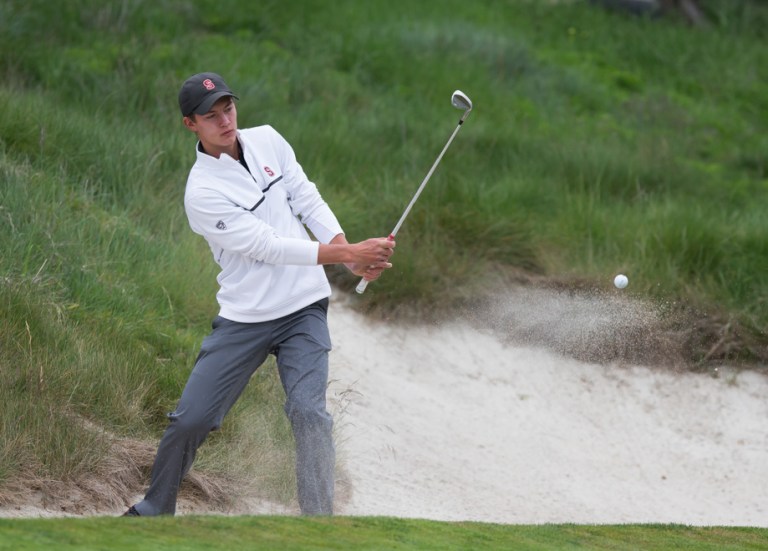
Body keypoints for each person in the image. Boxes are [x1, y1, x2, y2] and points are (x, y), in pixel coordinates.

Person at [123, 72, 394, 517]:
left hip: (303, 308)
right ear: (190, 124)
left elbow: (307, 199)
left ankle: (317, 524)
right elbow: (267, 247)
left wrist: (347, 255)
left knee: (309, 414)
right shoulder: (202, 192)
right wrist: (347, 252)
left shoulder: (268, 139)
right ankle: (156, 507)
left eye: (228, 108)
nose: (225, 121)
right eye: (211, 116)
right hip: (245, 317)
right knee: (192, 418)